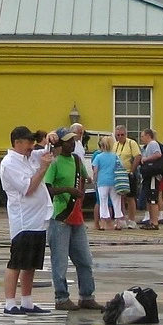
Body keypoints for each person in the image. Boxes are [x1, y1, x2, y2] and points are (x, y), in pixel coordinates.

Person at [0, 125, 54, 314]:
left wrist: (53, 136)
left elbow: (48, 150)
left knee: (31, 264)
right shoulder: (9, 163)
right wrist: (43, 169)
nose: (32, 145)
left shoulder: (30, 157)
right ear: (17, 143)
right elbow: (28, 188)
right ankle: (9, 303)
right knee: (17, 262)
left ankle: (27, 301)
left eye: (33, 142)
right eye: (29, 142)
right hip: (23, 221)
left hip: (37, 220)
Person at [44, 129, 100, 311]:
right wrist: (68, 189)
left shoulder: (77, 160)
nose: (71, 144)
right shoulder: (55, 163)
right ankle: (61, 298)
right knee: (59, 262)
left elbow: (85, 177)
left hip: (77, 216)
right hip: (60, 216)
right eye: (67, 141)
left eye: (73, 141)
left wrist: (89, 181)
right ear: (60, 144)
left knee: (84, 259)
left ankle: (87, 295)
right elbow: (48, 189)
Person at [112, 125, 142, 230]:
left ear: (126, 134)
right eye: (118, 135)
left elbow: (137, 156)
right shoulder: (115, 145)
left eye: (122, 135)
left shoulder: (131, 143)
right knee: (120, 197)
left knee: (130, 197)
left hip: (128, 173)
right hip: (118, 174)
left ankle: (132, 219)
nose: (120, 137)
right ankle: (122, 218)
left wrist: (132, 171)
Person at [91, 135, 123, 231]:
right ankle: (118, 223)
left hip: (102, 181)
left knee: (103, 202)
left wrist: (94, 180)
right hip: (114, 181)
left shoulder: (98, 157)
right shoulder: (115, 156)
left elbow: (95, 170)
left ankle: (103, 224)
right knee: (116, 201)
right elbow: (120, 167)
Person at [137, 128, 163, 230]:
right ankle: (151, 221)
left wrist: (146, 159)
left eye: (142, 136)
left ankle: (154, 222)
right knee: (149, 198)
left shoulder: (153, 144)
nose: (141, 138)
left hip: (153, 175)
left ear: (148, 135)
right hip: (148, 175)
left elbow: (158, 154)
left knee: (153, 199)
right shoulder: (148, 146)